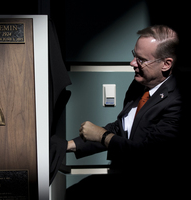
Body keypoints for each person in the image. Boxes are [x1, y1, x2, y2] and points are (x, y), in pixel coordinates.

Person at [66, 25, 183, 197]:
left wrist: (102, 136)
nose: (132, 63)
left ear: (166, 64)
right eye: (134, 55)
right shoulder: (139, 85)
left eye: (141, 60)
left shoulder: (177, 102)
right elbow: (122, 127)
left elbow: (145, 154)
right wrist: (70, 145)